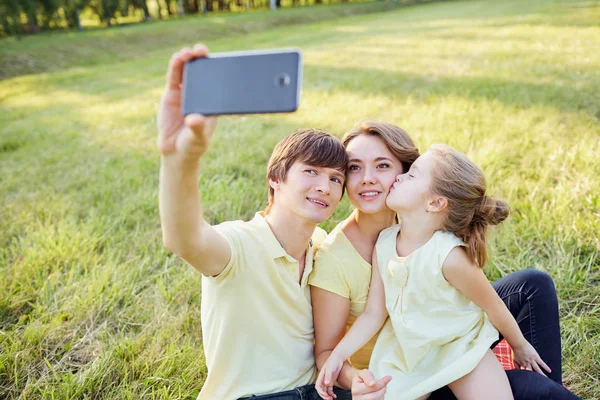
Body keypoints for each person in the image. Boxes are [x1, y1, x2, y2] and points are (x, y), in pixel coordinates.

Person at [311, 129, 580, 399]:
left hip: (458, 346)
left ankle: (545, 381)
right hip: (409, 355)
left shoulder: (441, 248)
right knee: (537, 392)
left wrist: (519, 346)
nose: (369, 179)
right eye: (354, 167)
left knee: (533, 287)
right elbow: (373, 313)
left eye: (384, 166)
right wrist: (340, 361)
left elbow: (488, 303)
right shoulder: (373, 245)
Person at [158, 44, 351, 399]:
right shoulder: (241, 244)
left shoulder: (324, 245)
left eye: (336, 179)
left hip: (318, 390)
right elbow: (184, 239)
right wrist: (178, 160)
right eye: (310, 172)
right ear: (275, 179)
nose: (324, 187)